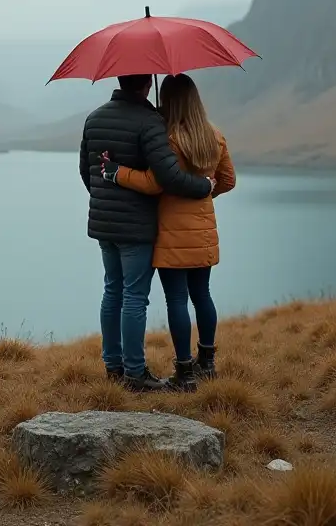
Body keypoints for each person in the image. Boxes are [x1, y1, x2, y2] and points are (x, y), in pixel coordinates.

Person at [100, 73, 236, 392]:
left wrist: (118, 173)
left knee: (176, 298)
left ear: (169, 102)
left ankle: (185, 371)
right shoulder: (214, 135)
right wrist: (204, 196)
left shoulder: (168, 138)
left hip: (171, 232)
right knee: (202, 294)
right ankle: (208, 362)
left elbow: (154, 181)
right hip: (203, 231)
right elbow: (228, 180)